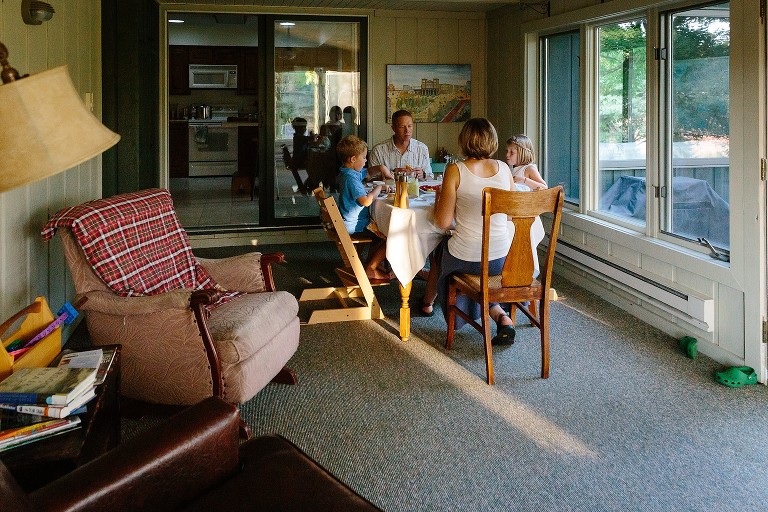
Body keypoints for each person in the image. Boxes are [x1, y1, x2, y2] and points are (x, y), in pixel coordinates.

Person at [424, 117, 517, 345]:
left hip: (469, 260)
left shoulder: (456, 170)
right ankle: (500, 315)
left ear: (463, 140)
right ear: (492, 141)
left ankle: (428, 303)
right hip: (502, 259)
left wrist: (440, 201)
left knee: (440, 251)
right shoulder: (504, 169)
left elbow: (443, 222)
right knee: (480, 272)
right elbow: (512, 214)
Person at [336, 135, 393, 283]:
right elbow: (366, 201)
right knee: (390, 235)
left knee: (379, 231)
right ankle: (371, 267)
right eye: (364, 158)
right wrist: (378, 188)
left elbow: (367, 172)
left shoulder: (347, 172)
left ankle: (368, 264)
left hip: (347, 222)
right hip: (355, 225)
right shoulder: (352, 179)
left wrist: (381, 168)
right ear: (353, 159)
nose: (366, 161)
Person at [368, 109, 433, 180]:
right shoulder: (378, 150)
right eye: (402, 127)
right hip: (388, 190)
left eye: (410, 126)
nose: (407, 130)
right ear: (393, 128)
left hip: (414, 190)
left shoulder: (422, 148)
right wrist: (392, 173)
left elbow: (430, 176)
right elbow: (370, 179)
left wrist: (423, 175)